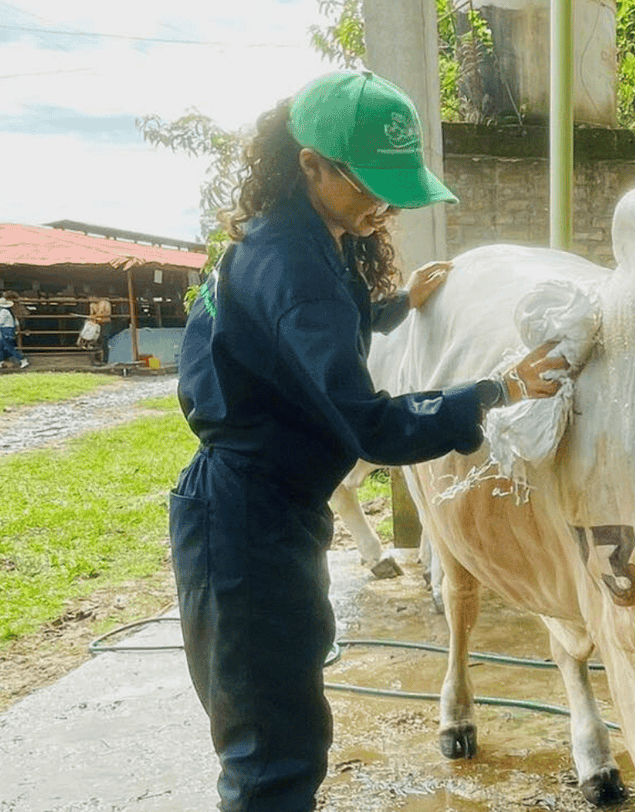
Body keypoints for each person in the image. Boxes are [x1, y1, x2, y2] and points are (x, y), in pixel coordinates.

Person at [168, 69, 567, 812]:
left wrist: (388, 309)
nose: (382, 205)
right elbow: (372, 426)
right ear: (309, 163)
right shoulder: (298, 268)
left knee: (290, 723)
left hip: (266, 504)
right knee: (271, 757)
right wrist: (497, 389)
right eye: (368, 186)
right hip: (247, 518)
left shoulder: (298, 239)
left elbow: (299, 341)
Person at [0, 292, 29, 369]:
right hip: (7, 330)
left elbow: (1, 322)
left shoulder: (3, 312)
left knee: (9, 347)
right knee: (0, 347)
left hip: (6, 330)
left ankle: (22, 360)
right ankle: (0, 362)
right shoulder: (8, 311)